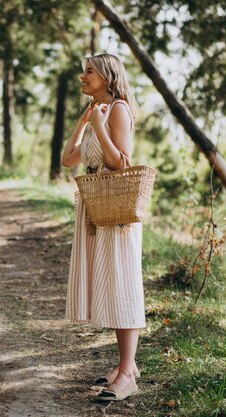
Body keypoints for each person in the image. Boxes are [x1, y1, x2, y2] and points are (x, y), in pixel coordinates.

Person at [62, 53, 144, 402]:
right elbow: (68, 159)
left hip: (116, 207)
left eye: (89, 72)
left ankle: (127, 374)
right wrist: (85, 121)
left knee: (122, 284)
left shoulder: (119, 109)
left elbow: (120, 162)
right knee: (111, 285)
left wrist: (98, 123)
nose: (83, 77)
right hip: (96, 205)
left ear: (107, 76)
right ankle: (126, 365)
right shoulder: (98, 111)